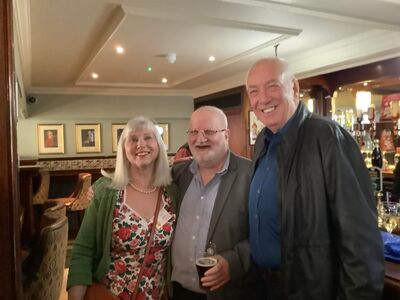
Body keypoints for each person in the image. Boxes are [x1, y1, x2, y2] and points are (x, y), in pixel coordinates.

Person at [245, 57, 384, 299]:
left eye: (272, 86)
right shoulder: (262, 142)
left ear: (295, 88)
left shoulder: (329, 138)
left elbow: (361, 242)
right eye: (254, 91)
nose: (263, 98)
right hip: (263, 287)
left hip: (310, 290)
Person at [67, 116, 176, 300]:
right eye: (133, 139)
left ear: (159, 145)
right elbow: (83, 251)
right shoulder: (106, 192)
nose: (141, 144)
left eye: (148, 138)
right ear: (124, 149)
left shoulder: (172, 192)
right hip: (110, 295)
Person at [170, 106, 252, 300]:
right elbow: (142, 182)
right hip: (177, 291)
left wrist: (234, 263)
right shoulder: (177, 174)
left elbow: (270, 234)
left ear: (227, 135)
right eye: (194, 132)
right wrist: (102, 188)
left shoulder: (251, 175)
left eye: (209, 131)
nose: (200, 139)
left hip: (229, 293)